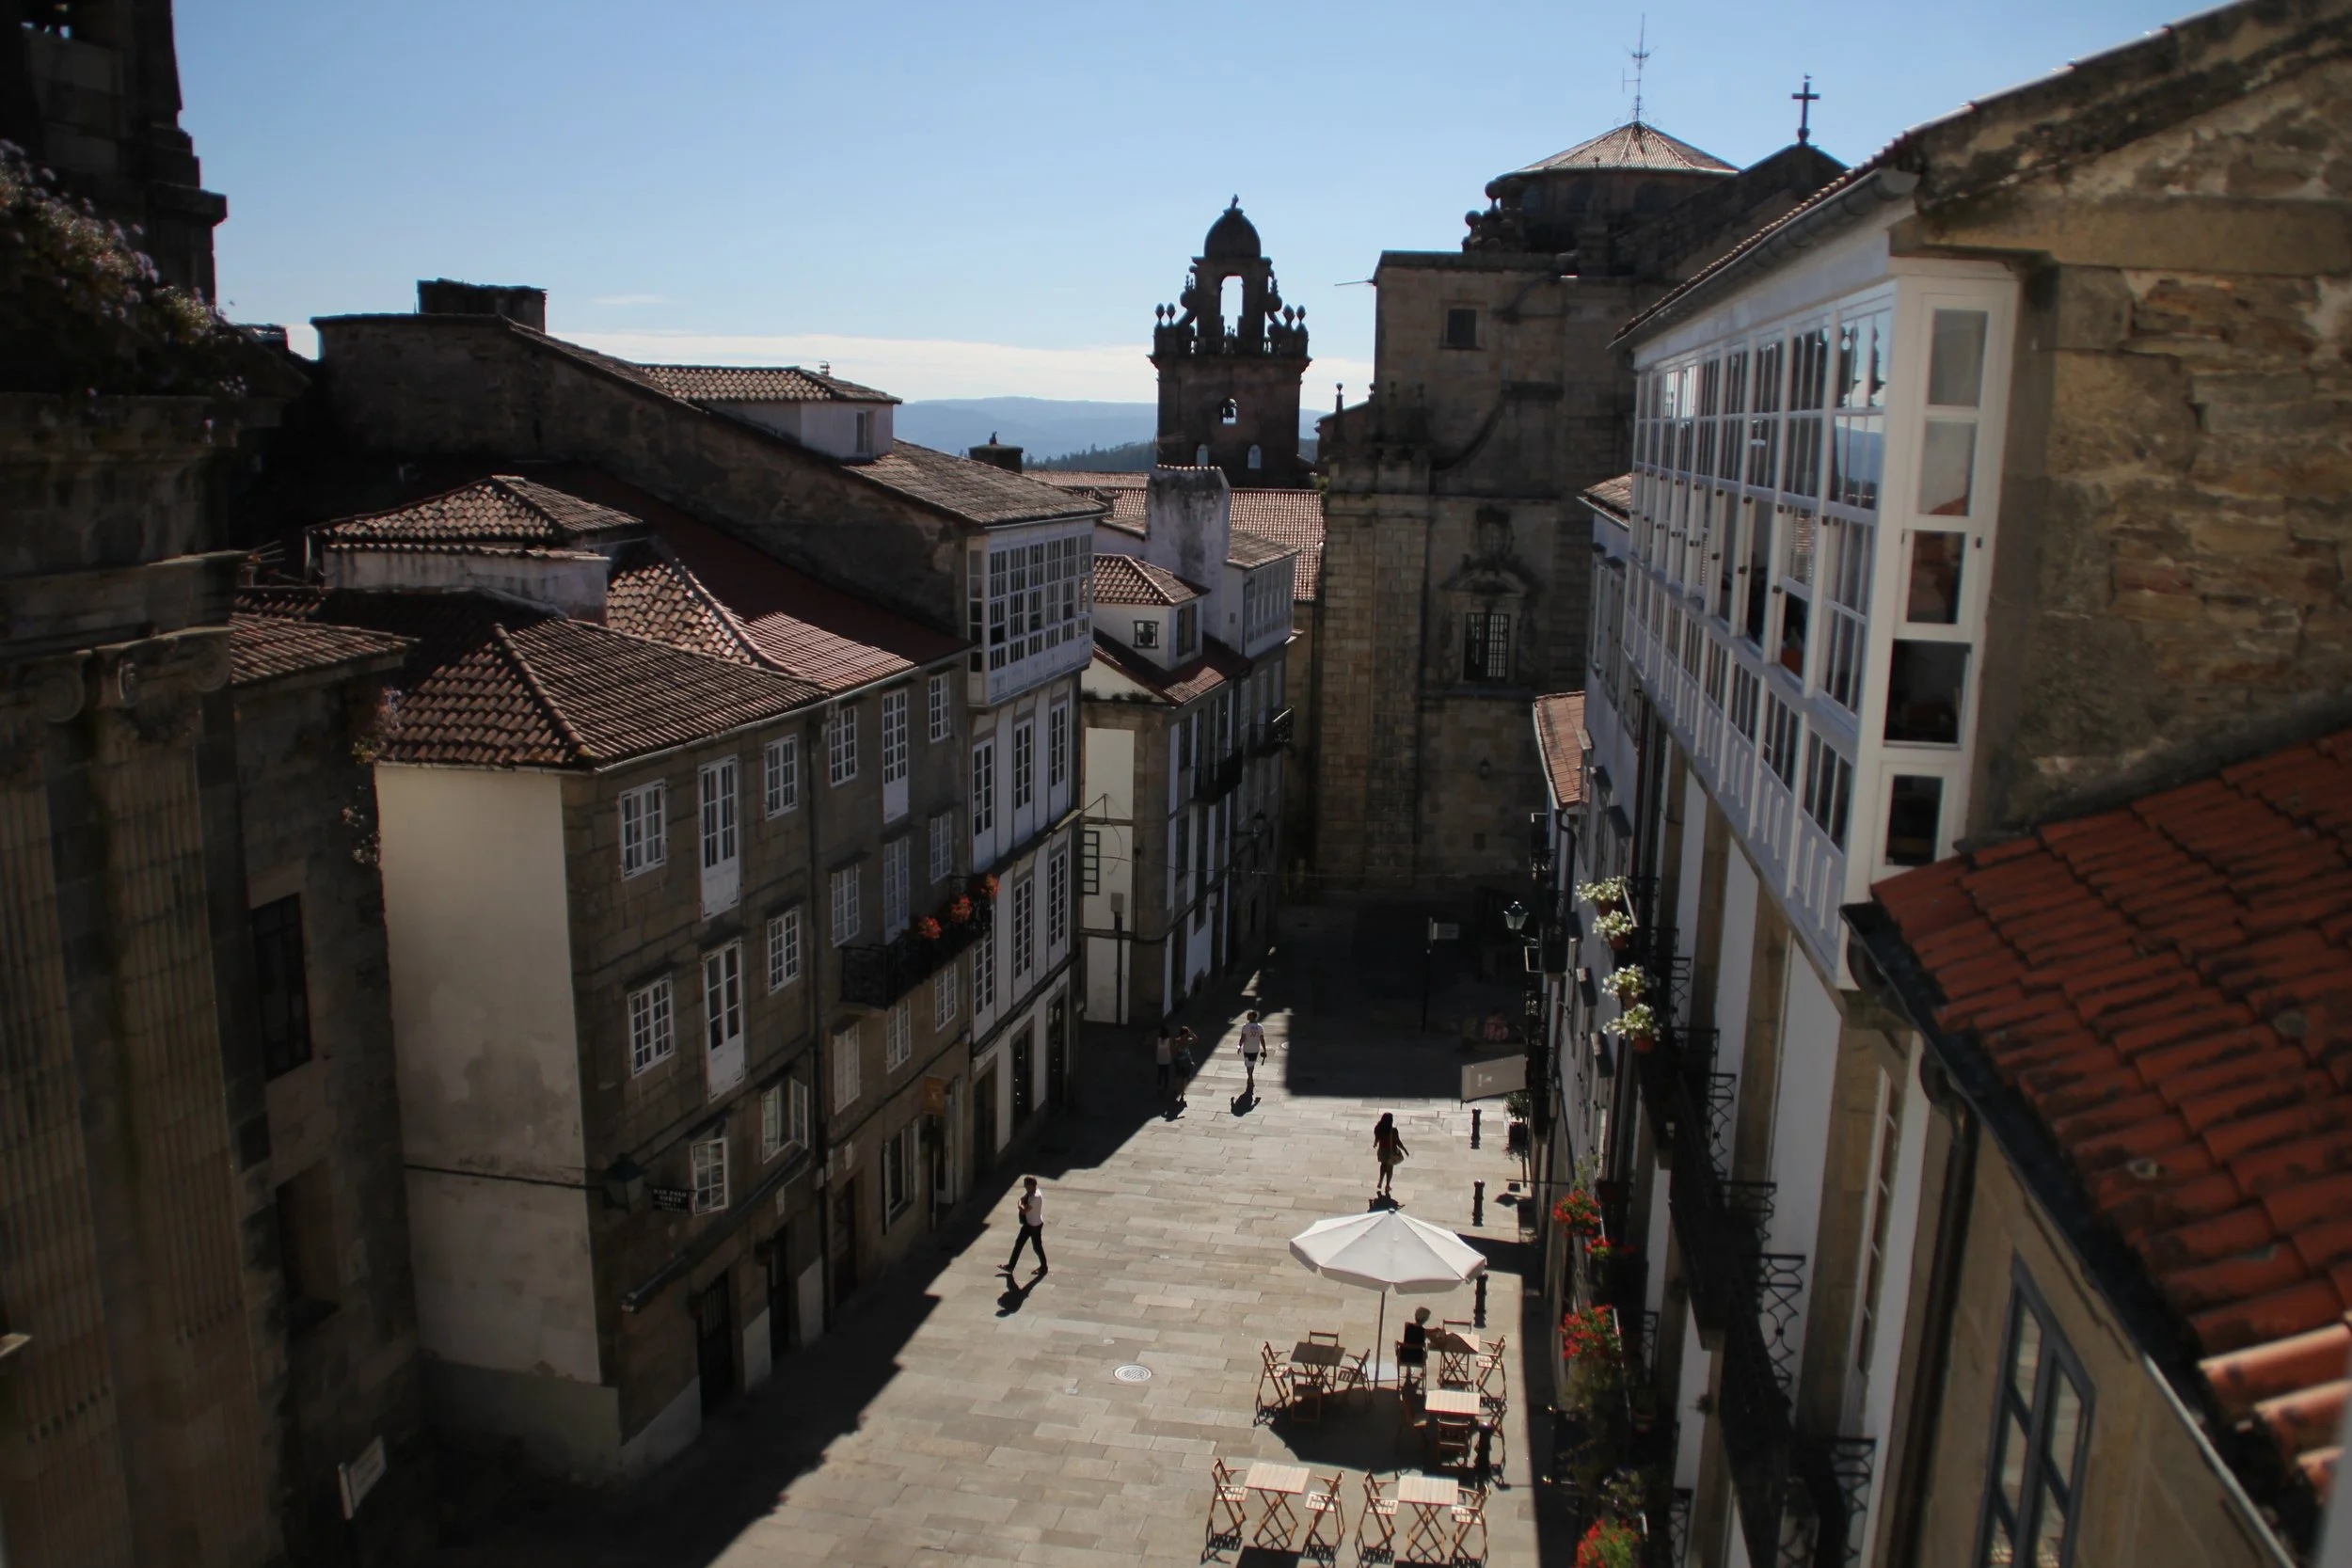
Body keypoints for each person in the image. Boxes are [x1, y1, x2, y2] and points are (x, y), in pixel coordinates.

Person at [1003, 1175, 1047, 1275]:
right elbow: (1022, 1199)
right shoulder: (1031, 1192)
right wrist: (1021, 1202)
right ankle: (1010, 1266)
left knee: (1037, 1247)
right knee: (1019, 1244)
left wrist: (1019, 1204)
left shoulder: (1035, 1197)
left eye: (1026, 1185)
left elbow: (1023, 1210)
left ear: (1031, 1185)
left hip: (1034, 1226)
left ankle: (1044, 1267)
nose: (1025, 1187)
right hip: (1029, 1224)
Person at [1374, 1112, 1408, 1197]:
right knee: (1390, 1169)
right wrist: (1404, 1149)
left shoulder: (1378, 1128)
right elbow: (1398, 1142)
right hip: (1390, 1152)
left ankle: (1380, 1181)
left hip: (1382, 1151)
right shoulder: (1393, 1131)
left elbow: (1377, 1138)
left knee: (1383, 1165)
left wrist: (1375, 1143)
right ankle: (1387, 1185)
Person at [1399, 1306, 1430, 1386]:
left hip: (1404, 1356)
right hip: (1418, 1358)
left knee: (1409, 1348)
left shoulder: (1407, 1326)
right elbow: (1431, 1337)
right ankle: (1422, 1375)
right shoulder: (1423, 1331)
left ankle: (1408, 1373)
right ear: (1424, 1319)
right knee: (1424, 1352)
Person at [1238, 1010, 1266, 1095]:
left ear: (1253, 1017)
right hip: (1255, 1049)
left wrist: (1239, 1046)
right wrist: (1264, 1049)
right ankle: (1250, 1079)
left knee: (1248, 1065)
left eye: (1249, 1015)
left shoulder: (1245, 1026)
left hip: (1247, 1049)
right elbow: (1262, 1039)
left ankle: (1250, 1079)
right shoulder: (1260, 1027)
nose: (1247, 1016)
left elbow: (1242, 1038)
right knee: (1252, 1064)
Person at [1152, 1027, 1174, 1098]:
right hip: (1167, 1059)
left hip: (1159, 1059)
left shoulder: (1158, 1040)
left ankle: (1159, 1087)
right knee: (1166, 1075)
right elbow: (1171, 1049)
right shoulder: (1169, 1040)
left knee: (1160, 1074)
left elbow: (1155, 1047)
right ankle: (1165, 1089)